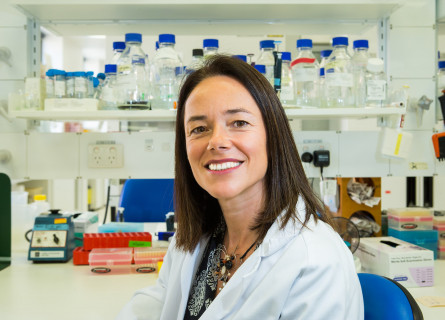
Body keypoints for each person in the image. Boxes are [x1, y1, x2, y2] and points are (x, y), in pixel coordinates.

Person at [117, 55, 364, 320]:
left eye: (239, 123)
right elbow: (157, 303)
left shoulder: (314, 259)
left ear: (273, 135)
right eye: (199, 128)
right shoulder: (193, 239)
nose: (217, 142)